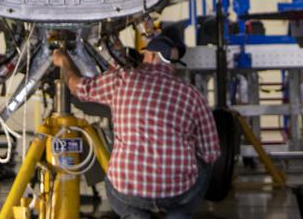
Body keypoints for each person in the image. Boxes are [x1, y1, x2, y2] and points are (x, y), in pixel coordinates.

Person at [51, 25, 220, 219]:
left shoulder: (122, 80)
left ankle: (135, 216)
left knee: (115, 181)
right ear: (173, 64)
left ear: (151, 56)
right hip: (176, 193)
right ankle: (178, 215)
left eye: (144, 54)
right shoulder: (193, 95)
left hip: (128, 193)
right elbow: (211, 152)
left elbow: (78, 87)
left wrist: (64, 61)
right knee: (203, 167)